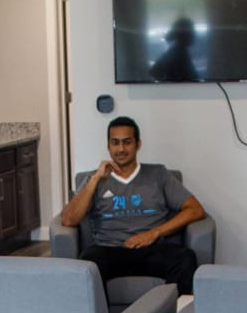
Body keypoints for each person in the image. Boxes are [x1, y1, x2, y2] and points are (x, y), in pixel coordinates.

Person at [56, 116, 207, 294]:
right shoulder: (94, 179)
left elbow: (196, 210)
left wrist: (153, 233)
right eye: (115, 142)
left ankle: (177, 312)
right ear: (108, 146)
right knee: (89, 261)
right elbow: (68, 220)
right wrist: (95, 180)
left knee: (185, 258)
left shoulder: (158, 174)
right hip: (110, 250)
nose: (121, 149)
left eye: (127, 142)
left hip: (152, 249)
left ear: (138, 144)